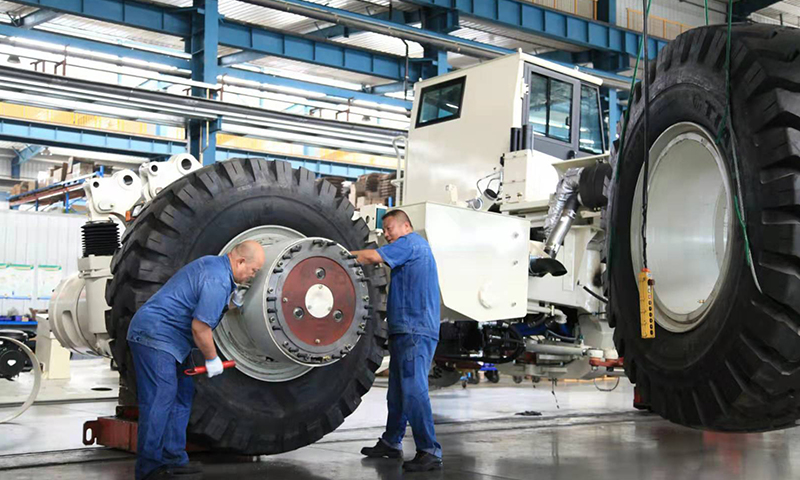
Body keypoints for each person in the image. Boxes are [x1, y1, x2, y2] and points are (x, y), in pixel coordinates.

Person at [126, 240, 265, 480]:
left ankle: (172, 458)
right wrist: (212, 359)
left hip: (173, 340)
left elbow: (204, 303)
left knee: (182, 395)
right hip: (154, 335)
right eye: (253, 270)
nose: (253, 275)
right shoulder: (217, 280)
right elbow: (200, 328)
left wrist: (234, 302)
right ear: (241, 261)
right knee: (160, 399)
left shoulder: (215, 267)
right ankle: (149, 469)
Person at [352, 209, 443, 472]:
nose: (386, 234)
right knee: (398, 392)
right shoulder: (409, 248)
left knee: (413, 390)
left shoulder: (411, 243)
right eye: (384, 230)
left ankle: (429, 450)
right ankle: (392, 442)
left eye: (389, 228)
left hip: (416, 329)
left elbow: (371, 257)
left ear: (406, 227)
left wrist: (337, 254)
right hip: (404, 329)